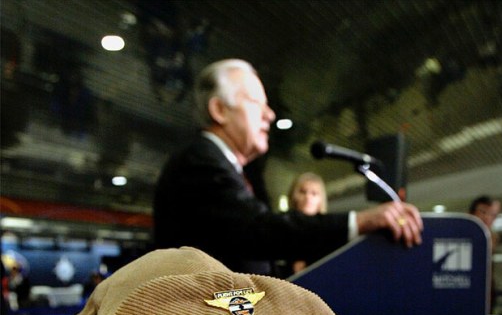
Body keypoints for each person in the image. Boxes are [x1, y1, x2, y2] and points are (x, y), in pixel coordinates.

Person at [153, 59, 422, 275]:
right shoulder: (199, 160)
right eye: (257, 103)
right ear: (219, 110)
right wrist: (360, 221)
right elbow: (256, 229)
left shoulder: (221, 163)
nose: (269, 114)